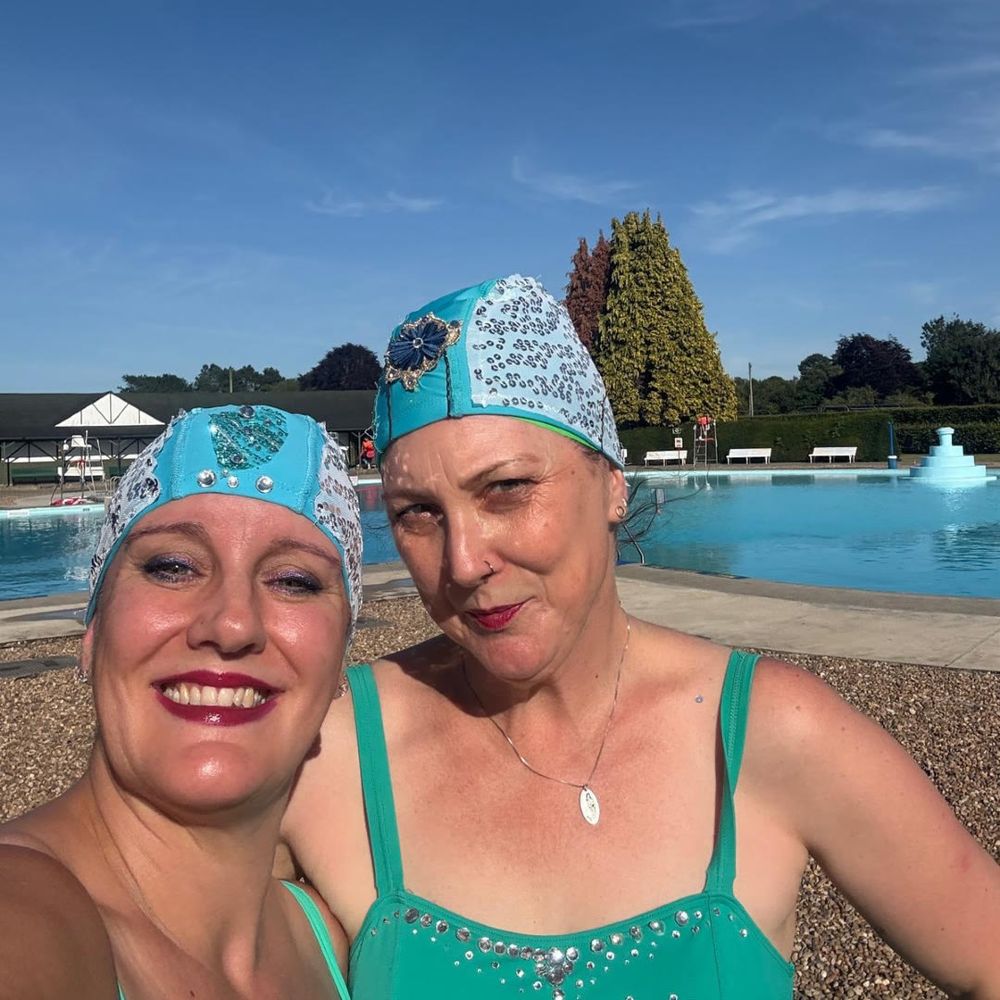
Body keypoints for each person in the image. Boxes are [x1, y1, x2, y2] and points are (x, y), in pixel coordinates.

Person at [282, 275, 1000, 999]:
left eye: (506, 489)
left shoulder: (771, 733)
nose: (464, 562)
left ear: (611, 484)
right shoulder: (320, 752)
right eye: (417, 513)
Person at [0, 404, 362, 999]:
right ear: (93, 634)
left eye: (294, 580)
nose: (232, 623)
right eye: (173, 567)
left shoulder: (324, 937)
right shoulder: (25, 914)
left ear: (338, 665)